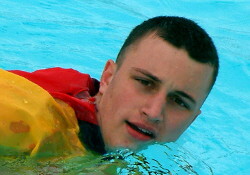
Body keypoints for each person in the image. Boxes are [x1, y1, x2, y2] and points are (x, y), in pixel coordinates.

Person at [0, 16, 219, 157]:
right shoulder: (33, 121)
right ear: (107, 78)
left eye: (179, 101)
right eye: (145, 83)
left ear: (192, 120)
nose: (153, 113)